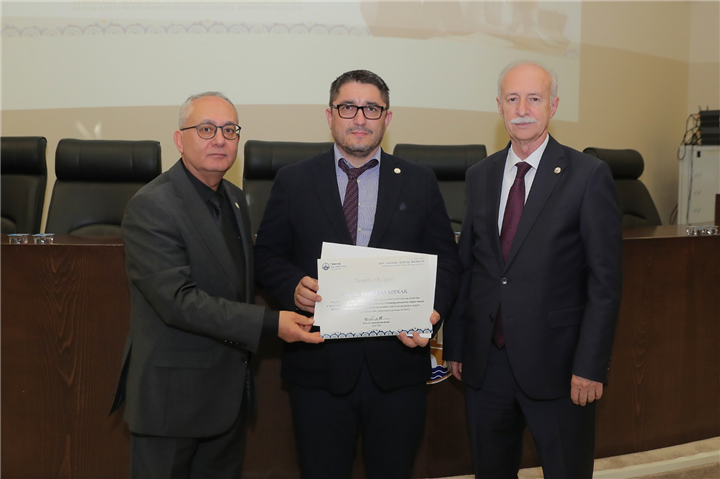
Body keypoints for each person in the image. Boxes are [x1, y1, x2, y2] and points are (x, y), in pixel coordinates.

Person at [254, 70, 461, 479]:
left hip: (398, 367)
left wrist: (432, 313)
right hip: (319, 368)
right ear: (330, 115)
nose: (360, 118)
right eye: (348, 107)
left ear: (387, 118)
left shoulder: (419, 182)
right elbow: (267, 255)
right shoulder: (294, 180)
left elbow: (447, 262)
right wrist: (291, 286)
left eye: (372, 108)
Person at [109, 91, 323, 479]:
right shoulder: (152, 204)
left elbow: (241, 277)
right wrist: (271, 323)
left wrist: (296, 284)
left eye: (230, 130)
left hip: (227, 399)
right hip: (171, 402)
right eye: (206, 129)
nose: (220, 140)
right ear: (180, 140)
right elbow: (178, 301)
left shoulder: (235, 199)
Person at [444, 62, 623, 478]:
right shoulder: (480, 175)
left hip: (560, 366)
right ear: (500, 107)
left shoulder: (588, 175)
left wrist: (590, 365)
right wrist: (456, 345)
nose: (522, 109)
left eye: (534, 99)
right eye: (512, 99)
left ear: (553, 106)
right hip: (486, 365)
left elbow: (605, 284)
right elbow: (468, 266)